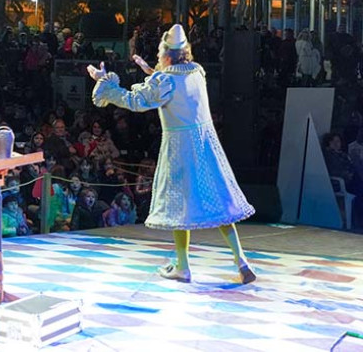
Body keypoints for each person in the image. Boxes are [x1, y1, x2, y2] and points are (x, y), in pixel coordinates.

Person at [87, 24, 256, 284]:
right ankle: (241, 261)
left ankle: (183, 266)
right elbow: (176, 86)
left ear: (166, 54)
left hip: (181, 147)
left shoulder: (163, 80)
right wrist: (150, 72)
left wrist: (105, 82)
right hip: (206, 144)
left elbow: (136, 100)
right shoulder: (196, 72)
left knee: (180, 205)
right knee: (221, 201)